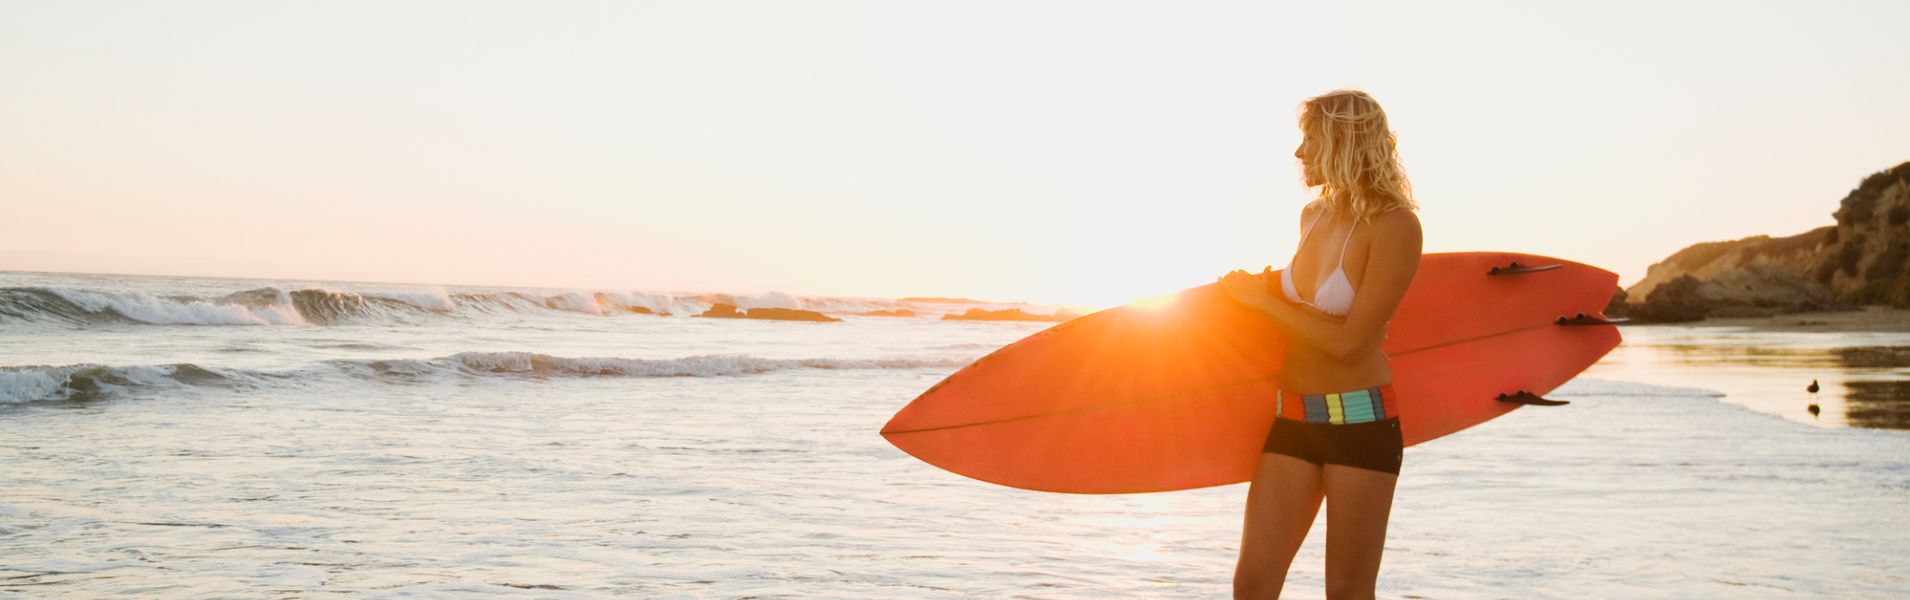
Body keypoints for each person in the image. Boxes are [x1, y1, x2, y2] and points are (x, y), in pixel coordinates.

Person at [1218, 89, 1423, 599]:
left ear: (1340, 141)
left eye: (1308, 139)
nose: (1299, 153)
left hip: (1361, 422)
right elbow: (1303, 304)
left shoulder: (1396, 227)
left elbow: (1351, 342)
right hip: (1293, 419)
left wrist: (1264, 303)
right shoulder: (1312, 216)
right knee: (1252, 582)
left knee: (1347, 592)